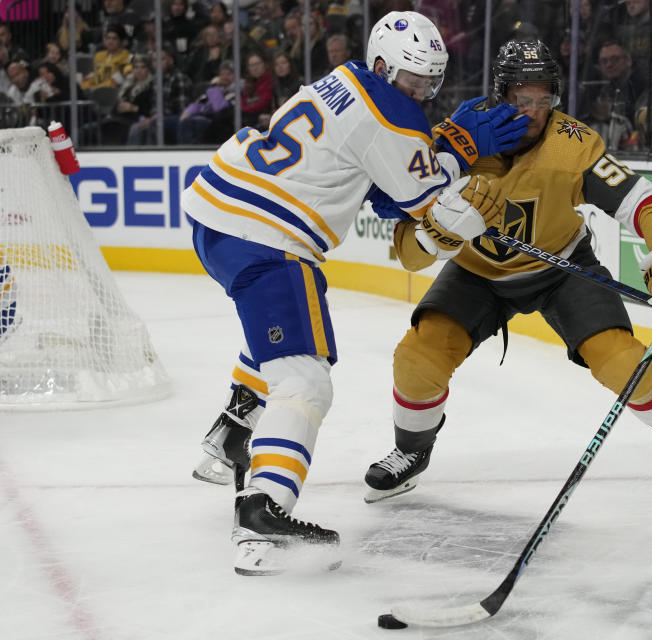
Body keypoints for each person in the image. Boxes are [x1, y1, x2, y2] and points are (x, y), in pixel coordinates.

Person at [183, 11, 526, 576]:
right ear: (385, 65)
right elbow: (430, 210)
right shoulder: (394, 116)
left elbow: (374, 178)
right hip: (267, 237)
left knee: (287, 329)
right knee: (305, 378)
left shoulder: (342, 80)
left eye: (432, 81)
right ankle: (263, 511)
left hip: (216, 215)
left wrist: (436, 153)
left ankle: (236, 423)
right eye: (415, 79)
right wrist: (459, 154)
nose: (423, 91)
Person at [362, 40, 652, 505]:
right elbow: (410, 253)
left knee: (620, 359)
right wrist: (437, 234)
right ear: (499, 94)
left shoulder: (572, 143)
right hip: (476, 274)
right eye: (520, 100)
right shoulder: (452, 146)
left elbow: (644, 200)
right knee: (417, 357)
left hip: (561, 266)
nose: (532, 112)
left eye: (542, 100)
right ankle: (411, 452)